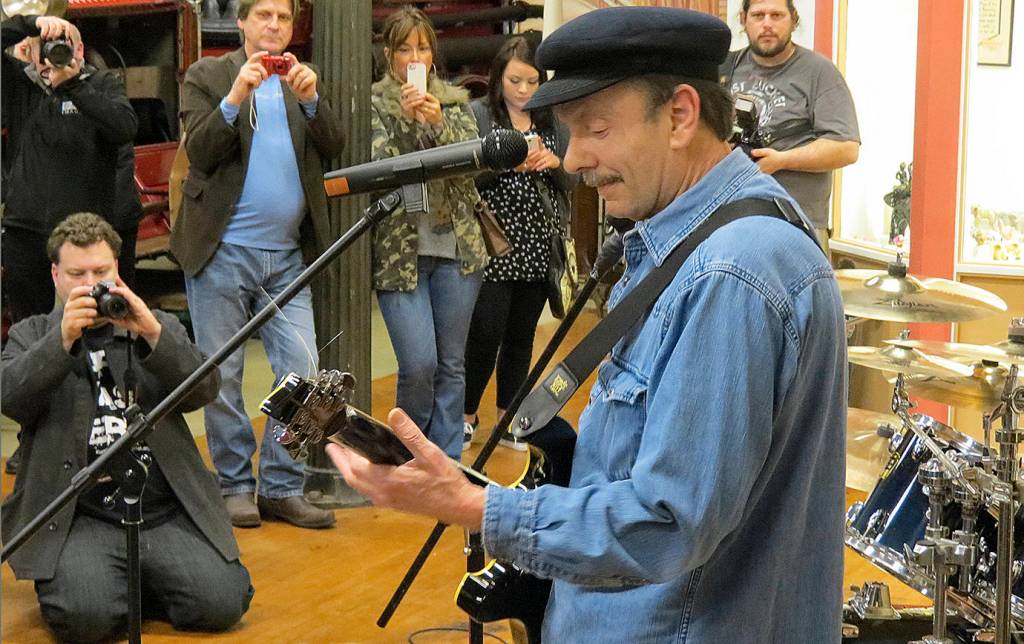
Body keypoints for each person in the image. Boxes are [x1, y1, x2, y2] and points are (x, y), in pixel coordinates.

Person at [328, 7, 847, 642]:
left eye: (596, 129)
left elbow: (667, 521)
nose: (574, 160)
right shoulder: (694, 239)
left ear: (681, 114)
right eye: (568, 134)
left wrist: (469, 505)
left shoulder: (731, 273)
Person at [1, 213, 252, 643]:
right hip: (81, 515)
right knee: (85, 621)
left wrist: (153, 332)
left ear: (118, 270)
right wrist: (60, 342)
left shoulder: (154, 326)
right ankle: (114, 580)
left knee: (222, 603)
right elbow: (10, 397)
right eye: (77, 274)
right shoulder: (33, 333)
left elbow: (206, 387)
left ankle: (128, 580)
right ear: (56, 275)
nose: (90, 283)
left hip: (160, 508)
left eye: (101, 272)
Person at [170, 0, 345, 529]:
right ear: (241, 22)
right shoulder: (208, 75)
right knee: (223, 376)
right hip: (222, 250)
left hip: (288, 256)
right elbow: (199, 152)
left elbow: (335, 145)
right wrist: (234, 98)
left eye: (284, 18)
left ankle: (281, 484)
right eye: (263, 15)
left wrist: (313, 102)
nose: (274, 25)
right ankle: (234, 486)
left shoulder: (298, 80)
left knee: (307, 373)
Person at [371, 6, 489, 461]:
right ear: (389, 53)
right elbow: (381, 172)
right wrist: (405, 123)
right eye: (404, 48)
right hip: (401, 253)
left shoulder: (456, 101)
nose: (413, 56)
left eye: (422, 47)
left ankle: (446, 460)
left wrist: (437, 123)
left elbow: (472, 168)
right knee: (419, 363)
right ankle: (408, 449)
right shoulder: (375, 104)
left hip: (456, 247)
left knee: (452, 364)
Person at [464, 36, 574, 452]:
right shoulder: (478, 116)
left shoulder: (553, 124)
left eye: (532, 81)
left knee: (522, 334)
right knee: (484, 332)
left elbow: (571, 182)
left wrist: (555, 164)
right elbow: (466, 180)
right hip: (492, 241)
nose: (524, 90)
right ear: (498, 79)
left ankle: (509, 414)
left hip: (537, 243)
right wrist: (505, 161)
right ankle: (466, 413)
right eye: (515, 80)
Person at [1, 14, 140, 323]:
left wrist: (74, 86)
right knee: (29, 326)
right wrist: (33, 24)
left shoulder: (102, 83)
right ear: (32, 52)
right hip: (26, 231)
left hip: (83, 233)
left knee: (95, 321)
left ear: (80, 51)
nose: (56, 56)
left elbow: (125, 127)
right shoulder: (20, 85)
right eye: (49, 48)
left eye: (66, 47)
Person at [722, 0, 860, 248]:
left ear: (793, 19)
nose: (767, 24)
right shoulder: (726, 69)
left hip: (795, 224)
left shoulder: (819, 72)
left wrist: (781, 161)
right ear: (743, 19)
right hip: (731, 219)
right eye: (758, 15)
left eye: (776, 15)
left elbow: (846, 147)